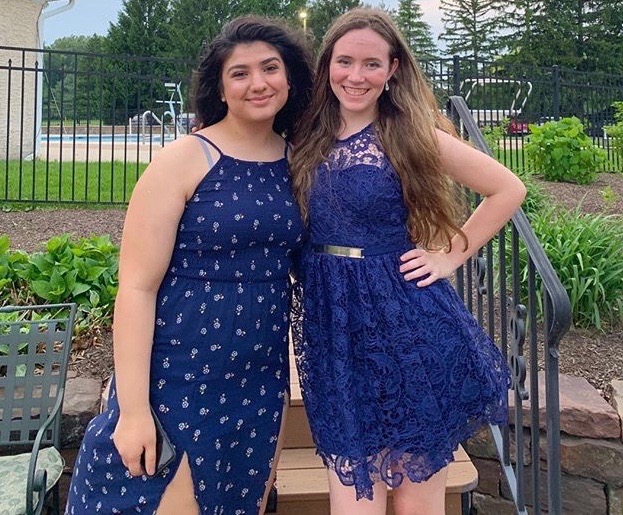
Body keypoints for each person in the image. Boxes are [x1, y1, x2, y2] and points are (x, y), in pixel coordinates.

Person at [66, 16, 313, 515]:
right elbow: (136, 287)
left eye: (270, 68)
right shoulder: (184, 159)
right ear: (221, 88)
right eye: (240, 73)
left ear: (290, 78)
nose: (258, 82)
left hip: (259, 377)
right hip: (178, 375)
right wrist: (134, 411)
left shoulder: (299, 162)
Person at [290, 8, 526, 515]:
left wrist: (450, 255)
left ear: (393, 69)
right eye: (345, 61)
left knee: (416, 501)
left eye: (372, 64)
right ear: (327, 62)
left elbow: (508, 188)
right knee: (354, 499)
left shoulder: (410, 132)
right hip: (334, 329)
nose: (356, 76)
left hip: (406, 327)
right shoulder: (302, 133)